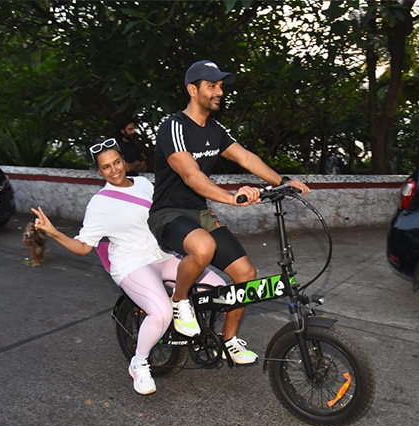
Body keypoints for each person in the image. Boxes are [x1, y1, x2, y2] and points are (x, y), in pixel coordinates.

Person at [30, 138, 225, 395]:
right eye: (106, 167)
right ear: (99, 171)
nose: (115, 170)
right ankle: (140, 362)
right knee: (162, 312)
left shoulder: (144, 184)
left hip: (164, 255)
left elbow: (165, 212)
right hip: (132, 263)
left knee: (219, 291)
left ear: (124, 161)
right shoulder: (100, 204)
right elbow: (83, 247)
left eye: (117, 162)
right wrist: (53, 233)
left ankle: (200, 338)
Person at [147, 60, 310, 365]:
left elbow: (246, 158)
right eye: (212, 85)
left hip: (198, 213)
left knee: (245, 275)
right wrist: (231, 198)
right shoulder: (175, 127)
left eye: (221, 85)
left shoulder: (215, 129)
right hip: (168, 214)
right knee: (203, 247)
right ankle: (180, 300)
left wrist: (283, 182)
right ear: (192, 90)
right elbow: (191, 176)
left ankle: (228, 339)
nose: (220, 91)